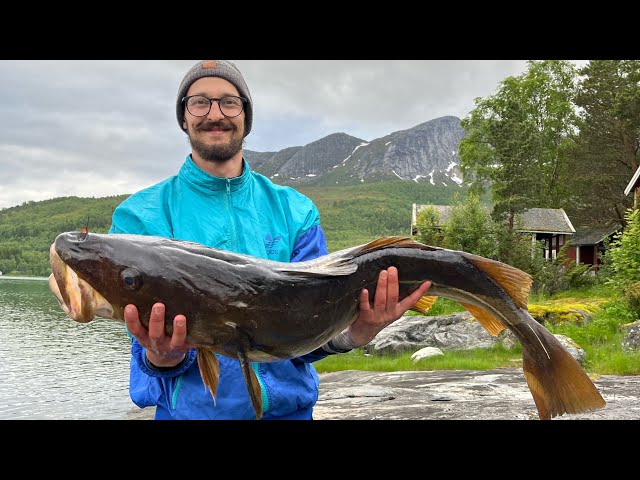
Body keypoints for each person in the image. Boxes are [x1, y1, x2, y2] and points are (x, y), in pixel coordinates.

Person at [108, 60, 432, 420]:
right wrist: (162, 356)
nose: (215, 113)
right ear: (183, 117)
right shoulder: (140, 218)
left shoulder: (295, 211)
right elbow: (142, 347)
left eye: (230, 102)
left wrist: (356, 331)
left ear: (246, 116)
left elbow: (307, 337)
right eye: (199, 102)